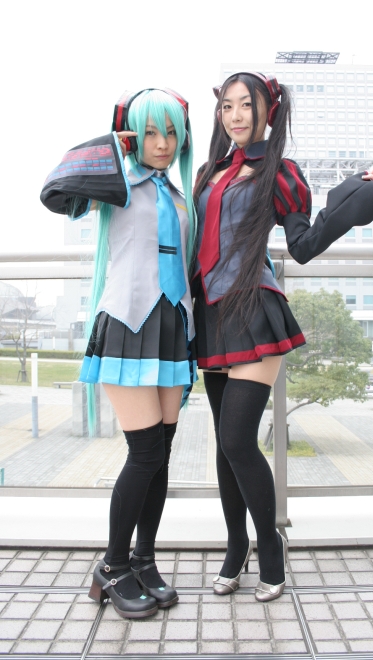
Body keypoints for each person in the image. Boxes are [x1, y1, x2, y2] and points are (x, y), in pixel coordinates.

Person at [192, 72, 373, 602]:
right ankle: (236, 546)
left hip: (255, 308)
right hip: (210, 315)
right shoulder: (208, 173)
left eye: (247, 105)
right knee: (224, 445)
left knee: (238, 439)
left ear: (268, 111)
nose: (236, 115)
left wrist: (357, 193)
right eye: (227, 106)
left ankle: (270, 546)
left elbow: (302, 245)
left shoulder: (280, 173)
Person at [41, 88, 197, 618]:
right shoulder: (116, 184)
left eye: (171, 132)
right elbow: (56, 191)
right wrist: (112, 145)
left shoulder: (181, 198)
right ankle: (111, 566)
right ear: (133, 136)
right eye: (150, 132)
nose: (162, 143)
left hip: (172, 327)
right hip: (128, 324)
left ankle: (143, 560)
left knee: (163, 452)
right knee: (145, 453)